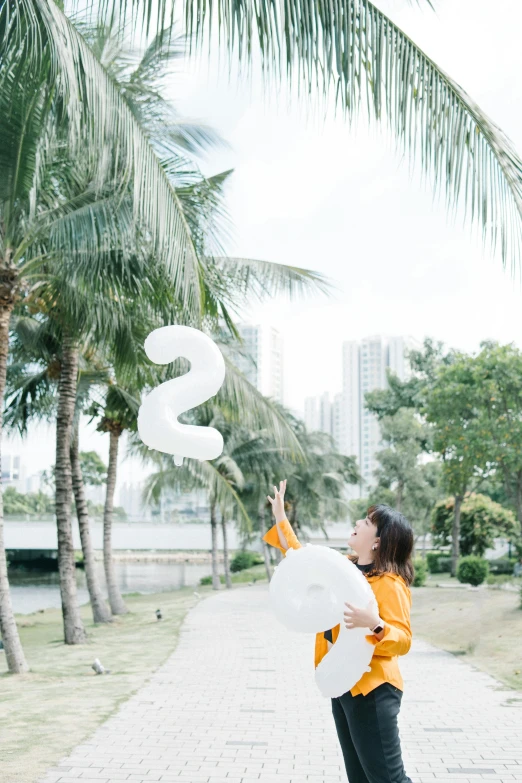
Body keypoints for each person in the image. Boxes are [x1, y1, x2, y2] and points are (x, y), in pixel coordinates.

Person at [264, 479, 414, 783]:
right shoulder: (342, 569)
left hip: (372, 690)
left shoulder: (389, 584)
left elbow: (403, 641)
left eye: (368, 521)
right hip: (343, 685)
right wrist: (281, 516)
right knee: (359, 777)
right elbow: (299, 555)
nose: (358, 522)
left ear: (378, 542)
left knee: (388, 779)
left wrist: (375, 623)